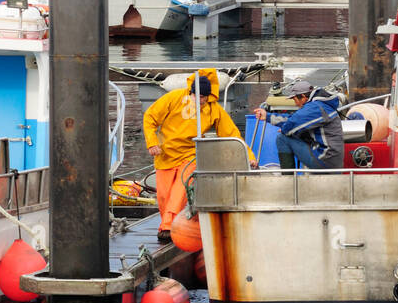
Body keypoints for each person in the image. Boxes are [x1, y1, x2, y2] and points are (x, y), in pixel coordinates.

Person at [144, 70, 255, 242]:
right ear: (191, 92)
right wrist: (152, 143)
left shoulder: (214, 109)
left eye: (204, 97)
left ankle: (167, 228)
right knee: (164, 196)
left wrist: (248, 156)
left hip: (190, 155)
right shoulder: (173, 98)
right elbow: (150, 117)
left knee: (179, 191)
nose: (201, 100)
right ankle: (169, 223)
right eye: (198, 95)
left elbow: (231, 134)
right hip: (165, 154)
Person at [254, 80, 344, 169]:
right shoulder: (321, 105)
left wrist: (287, 129)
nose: (295, 103)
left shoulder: (314, 108)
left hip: (325, 159)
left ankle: (288, 179)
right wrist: (268, 116)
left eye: (295, 99)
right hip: (333, 160)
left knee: (282, 138)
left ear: (303, 96)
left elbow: (289, 126)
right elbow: (293, 120)